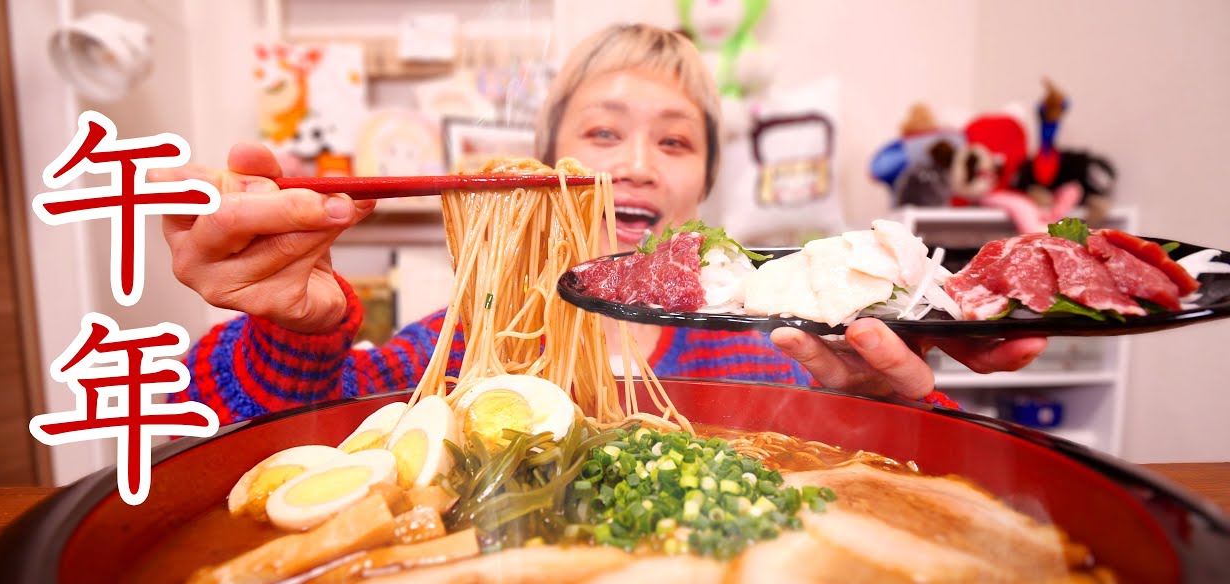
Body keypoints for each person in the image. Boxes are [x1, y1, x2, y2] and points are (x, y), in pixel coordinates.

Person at [159, 24, 1046, 424]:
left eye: (674, 139)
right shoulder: (463, 346)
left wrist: (901, 413)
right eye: (601, 133)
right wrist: (296, 327)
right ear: (545, 172)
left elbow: (886, 479)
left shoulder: (779, 352)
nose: (635, 163)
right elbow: (242, 432)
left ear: (702, 181)